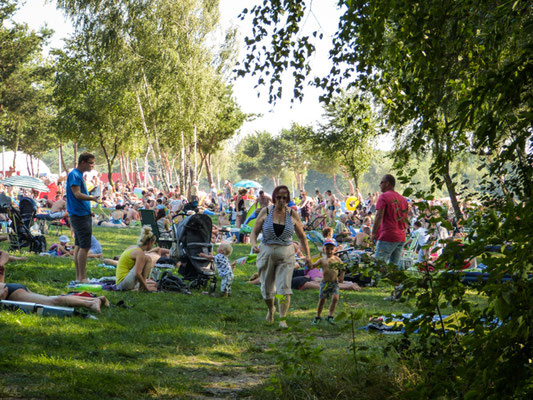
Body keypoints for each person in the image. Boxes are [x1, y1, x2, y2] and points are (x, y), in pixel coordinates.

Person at [250, 185, 312, 328]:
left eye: (285, 198)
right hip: (266, 252)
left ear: (288, 199)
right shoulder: (265, 212)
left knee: (283, 287)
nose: (282, 200)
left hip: (286, 254)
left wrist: (308, 256)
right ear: (274, 197)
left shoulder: (292, 214)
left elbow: (302, 237)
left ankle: (282, 318)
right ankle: (271, 309)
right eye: (279, 197)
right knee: (267, 289)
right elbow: (254, 232)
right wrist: (253, 244)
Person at [66, 152, 100, 283]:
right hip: (79, 215)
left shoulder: (77, 175)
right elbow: (77, 194)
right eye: (91, 162)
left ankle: (79, 278)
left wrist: (88, 209)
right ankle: (82, 278)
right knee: (85, 247)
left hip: (81, 213)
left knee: (79, 246)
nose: (92, 165)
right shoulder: (74, 175)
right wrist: (92, 198)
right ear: (83, 162)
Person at [371, 174, 409, 266]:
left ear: (387, 183)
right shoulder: (403, 199)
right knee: (394, 267)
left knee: (378, 266)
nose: (380, 185)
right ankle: (392, 280)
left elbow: (379, 216)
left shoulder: (383, 196)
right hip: (401, 237)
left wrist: (373, 233)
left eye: (381, 182)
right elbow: (406, 218)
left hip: (388, 236)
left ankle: (377, 281)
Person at [115, 226, 159, 292]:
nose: (153, 245)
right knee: (147, 259)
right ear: (150, 242)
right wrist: (147, 289)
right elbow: (137, 274)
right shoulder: (140, 253)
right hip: (124, 284)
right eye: (153, 243)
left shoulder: (134, 247)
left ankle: (142, 286)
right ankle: (142, 288)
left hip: (120, 282)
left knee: (147, 258)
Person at [312, 238, 344, 325]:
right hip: (325, 283)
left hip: (334, 283)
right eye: (327, 248)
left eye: (331, 249)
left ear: (335, 250)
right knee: (322, 300)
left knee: (335, 298)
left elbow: (343, 268)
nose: (329, 251)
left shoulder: (337, 259)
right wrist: (308, 264)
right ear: (323, 249)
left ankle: (330, 315)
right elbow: (313, 266)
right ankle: (318, 316)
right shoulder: (322, 260)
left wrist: (341, 276)